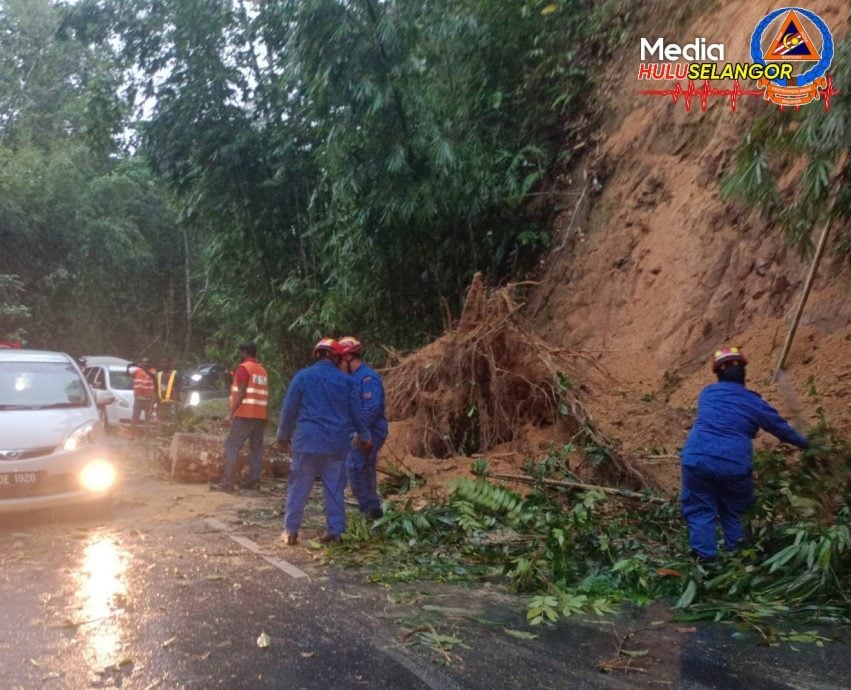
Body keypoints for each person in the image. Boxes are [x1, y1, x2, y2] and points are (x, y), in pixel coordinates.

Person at [680, 346, 808, 563]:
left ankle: (704, 563)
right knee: (736, 512)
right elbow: (781, 429)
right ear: (744, 372)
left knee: (701, 511)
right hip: (733, 465)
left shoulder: (707, 394)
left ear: (717, 373)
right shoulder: (754, 402)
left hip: (697, 459)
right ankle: (739, 563)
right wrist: (810, 444)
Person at [276, 338, 372, 545]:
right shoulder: (348, 381)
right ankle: (336, 532)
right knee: (335, 488)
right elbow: (357, 412)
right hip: (336, 443)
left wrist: (282, 436)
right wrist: (365, 436)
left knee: (299, 486)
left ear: (317, 355)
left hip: (307, 442)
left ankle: (290, 532)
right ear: (337, 358)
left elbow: (289, 408)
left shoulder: (303, 377)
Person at [335, 336, 388, 520]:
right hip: (361, 430)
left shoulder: (367, 377)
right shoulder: (352, 378)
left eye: (339, 359)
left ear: (348, 357)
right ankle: (372, 509)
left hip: (371, 429)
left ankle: (369, 508)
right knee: (364, 467)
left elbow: (371, 407)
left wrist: (360, 431)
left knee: (355, 466)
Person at [211, 342, 270, 492]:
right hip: (260, 415)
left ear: (244, 353)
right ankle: (253, 482)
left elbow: (242, 392)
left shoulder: (244, 368)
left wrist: (229, 414)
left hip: (245, 415)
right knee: (256, 449)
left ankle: (227, 483)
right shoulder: (262, 370)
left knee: (231, 447)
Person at [127, 357, 156, 436]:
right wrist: (134, 364)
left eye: (147, 363)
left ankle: (146, 434)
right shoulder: (137, 370)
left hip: (148, 399)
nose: (145, 364)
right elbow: (128, 371)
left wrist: (143, 368)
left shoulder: (152, 371)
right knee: (135, 417)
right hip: (138, 398)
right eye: (143, 363)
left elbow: (153, 376)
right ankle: (133, 433)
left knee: (147, 417)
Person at [154, 355, 182, 431]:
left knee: (173, 420)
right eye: (162, 362)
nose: (164, 364)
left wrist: (179, 401)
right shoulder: (158, 375)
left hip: (172, 402)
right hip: (161, 402)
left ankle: (172, 435)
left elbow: (179, 388)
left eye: (166, 362)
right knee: (160, 420)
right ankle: (161, 435)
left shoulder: (175, 374)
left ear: (170, 363)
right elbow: (156, 389)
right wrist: (154, 401)